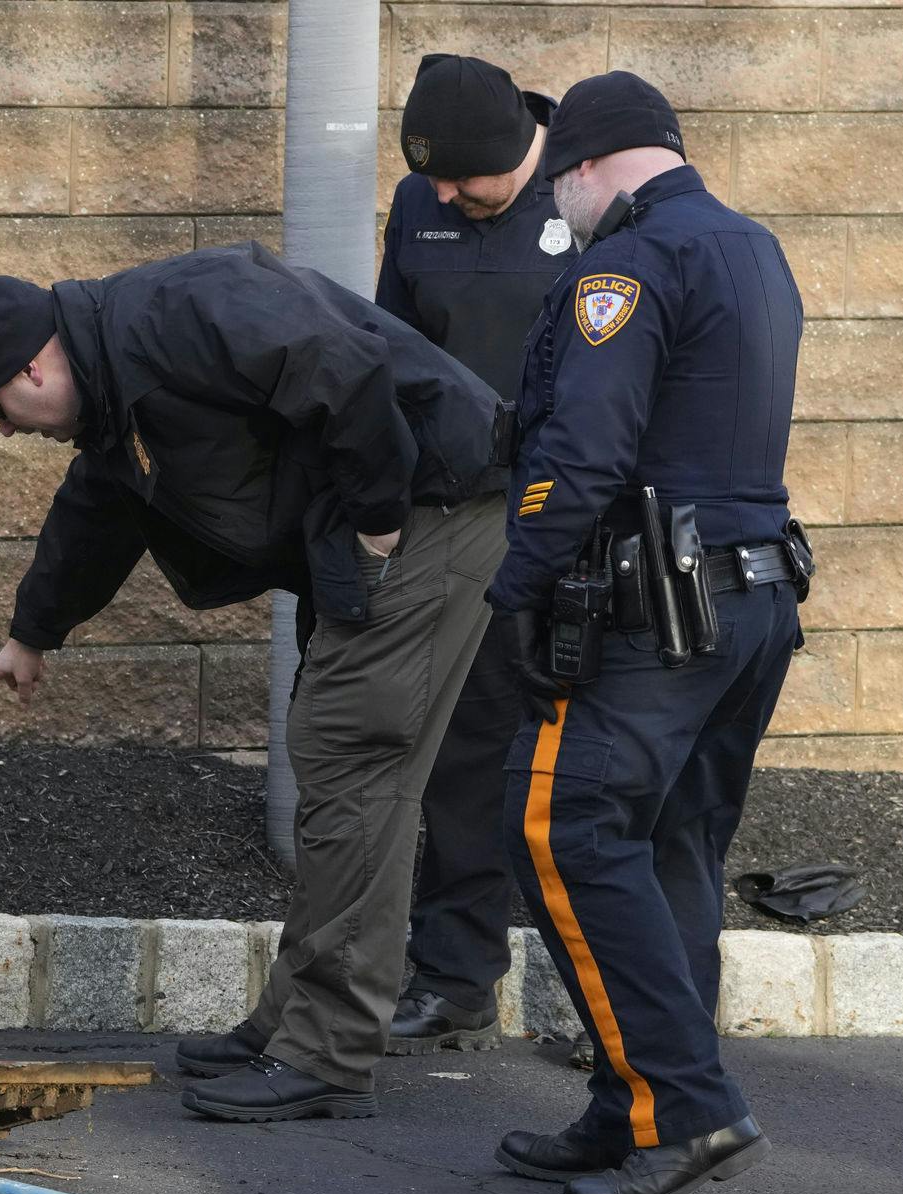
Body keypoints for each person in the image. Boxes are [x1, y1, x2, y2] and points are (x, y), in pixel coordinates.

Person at [0, 244, 509, 1122]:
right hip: (392, 518)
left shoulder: (181, 311)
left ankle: (326, 1050)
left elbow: (343, 362)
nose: (6, 428)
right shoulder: (115, 375)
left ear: (33, 364)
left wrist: (380, 522)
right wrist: (32, 632)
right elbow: (99, 504)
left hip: (433, 506)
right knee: (333, 757)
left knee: (354, 761)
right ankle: (293, 1022)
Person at [486, 71, 808, 1194]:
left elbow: (584, 451)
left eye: (556, 189)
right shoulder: (753, 246)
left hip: (655, 614)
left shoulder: (622, 266)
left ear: (584, 167)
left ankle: (682, 1103)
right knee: (671, 845)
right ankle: (637, 1100)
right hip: (754, 599)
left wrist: (516, 590)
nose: (556, 216)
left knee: (561, 821)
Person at [377, 53, 573, 1057]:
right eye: (433, 177)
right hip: (460, 518)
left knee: (595, 761)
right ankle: (454, 974)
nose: (443, 192)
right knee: (461, 747)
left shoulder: (582, 193)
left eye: (463, 177)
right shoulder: (420, 206)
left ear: (516, 151)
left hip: (576, 515)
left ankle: (616, 1000)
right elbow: (390, 352)